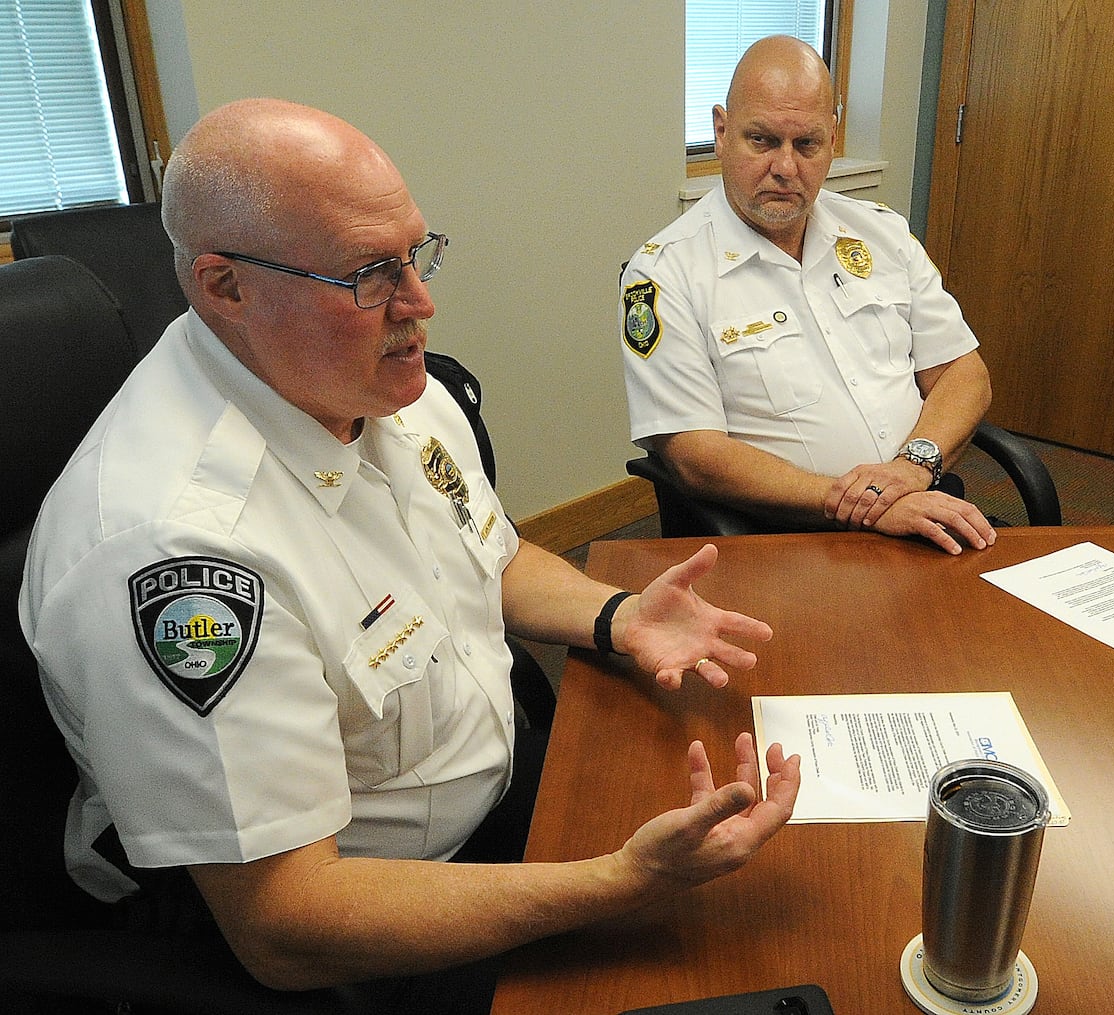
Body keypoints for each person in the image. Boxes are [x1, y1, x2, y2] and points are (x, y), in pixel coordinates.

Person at [19, 98, 800, 1012]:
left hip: (490, 797)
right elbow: (284, 921)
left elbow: (488, 553)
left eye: (416, 254)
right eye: (369, 274)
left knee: (778, 893)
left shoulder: (376, 382)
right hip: (356, 924)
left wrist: (616, 614)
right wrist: (617, 883)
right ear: (224, 287)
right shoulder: (178, 551)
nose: (420, 303)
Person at [620, 35, 997, 555]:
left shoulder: (881, 234)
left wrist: (913, 467)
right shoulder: (666, 274)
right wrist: (861, 502)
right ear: (722, 132)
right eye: (762, 141)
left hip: (922, 503)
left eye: (807, 145)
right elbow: (695, 454)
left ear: (831, 140)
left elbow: (963, 372)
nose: (785, 168)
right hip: (788, 537)